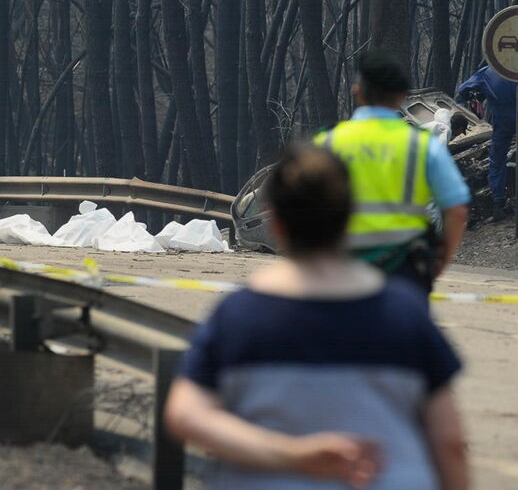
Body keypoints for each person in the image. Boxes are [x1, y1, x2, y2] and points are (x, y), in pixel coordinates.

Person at [164, 145, 469, 490]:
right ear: (352, 216)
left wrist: (292, 455)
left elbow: (186, 415)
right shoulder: (405, 313)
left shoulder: (238, 315)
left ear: (274, 222)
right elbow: (450, 444)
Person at [315, 50, 470, 296]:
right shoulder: (423, 145)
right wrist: (435, 266)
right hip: (401, 271)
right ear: (401, 96)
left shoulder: (329, 140)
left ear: (357, 92)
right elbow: (457, 210)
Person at [455, 65, 518, 220]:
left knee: (497, 161)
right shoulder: (516, 69)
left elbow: (463, 90)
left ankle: (498, 203)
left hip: (503, 122)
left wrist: (471, 97)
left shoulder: (484, 73)